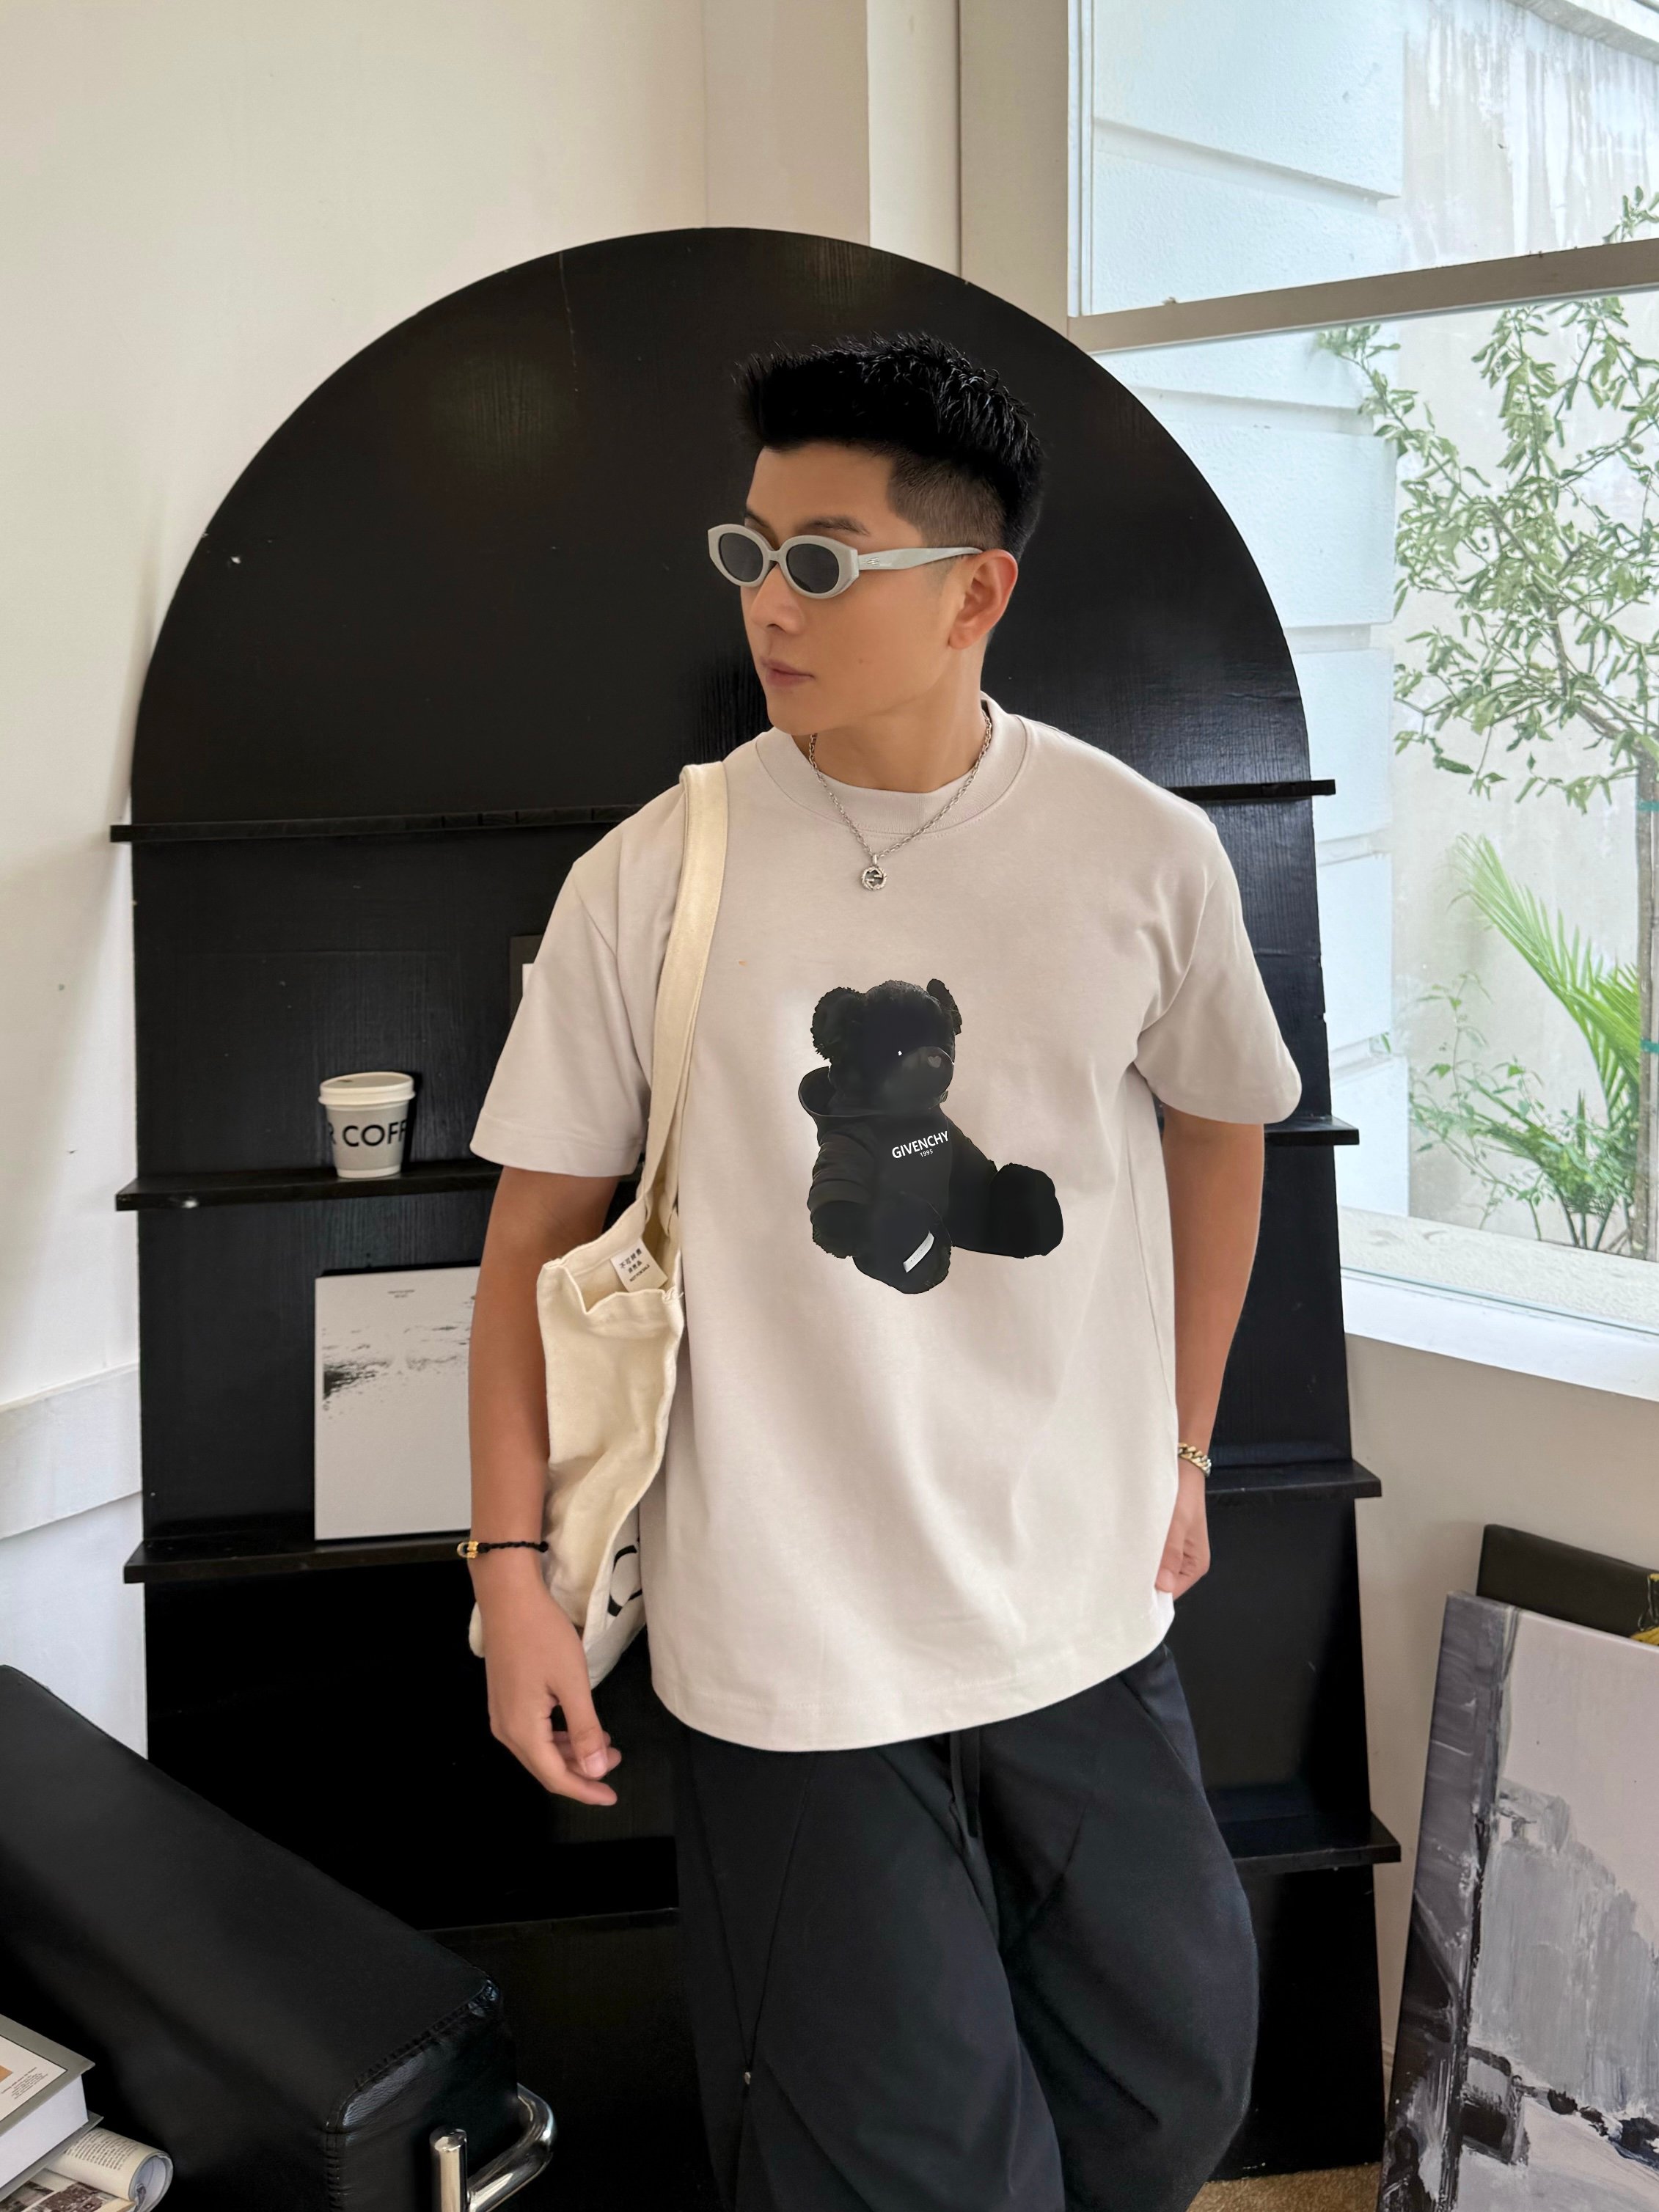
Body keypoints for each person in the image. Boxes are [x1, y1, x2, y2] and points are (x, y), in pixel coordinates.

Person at [466, 332, 1303, 2212]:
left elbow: (1224, 1125)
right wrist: (512, 1570)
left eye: (825, 560)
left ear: (976, 592)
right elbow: (529, 1241)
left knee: (1171, 2081)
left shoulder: (1143, 851)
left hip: (1076, 1596)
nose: (770, 601)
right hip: (790, 1644)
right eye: (751, 551)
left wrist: (1184, 1442)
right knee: (908, 2167)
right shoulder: (651, 876)